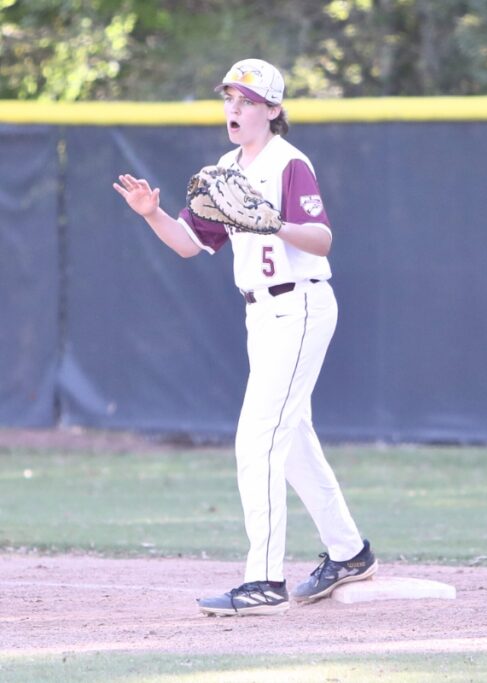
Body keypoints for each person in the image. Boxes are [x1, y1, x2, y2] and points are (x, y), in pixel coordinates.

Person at [113, 58, 377, 616]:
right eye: (230, 98)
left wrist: (272, 222)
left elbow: (323, 239)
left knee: (258, 438)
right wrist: (152, 213)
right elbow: (189, 243)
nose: (235, 108)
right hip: (261, 314)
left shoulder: (289, 163)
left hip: (299, 302)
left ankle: (263, 580)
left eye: (248, 100)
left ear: (273, 111)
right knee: (292, 440)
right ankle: (349, 553)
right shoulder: (225, 171)